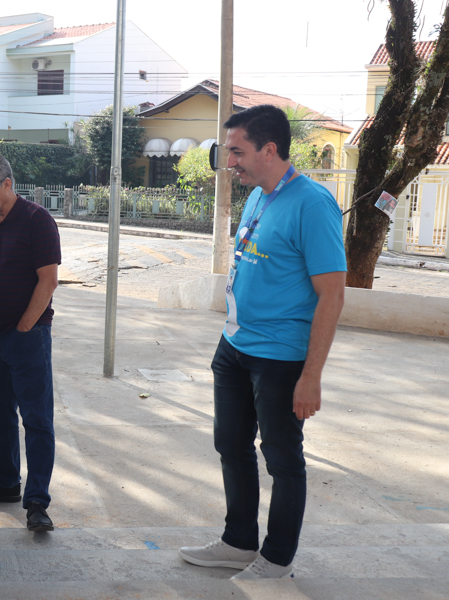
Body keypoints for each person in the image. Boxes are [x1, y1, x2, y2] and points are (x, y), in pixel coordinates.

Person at [178, 105, 346, 579]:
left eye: (237, 151)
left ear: (269, 150)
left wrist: (311, 376)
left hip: (279, 357)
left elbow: (333, 295)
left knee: (282, 458)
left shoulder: (312, 204)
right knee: (231, 445)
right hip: (234, 346)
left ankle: (276, 559)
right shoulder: (257, 196)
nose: (229, 161)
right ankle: (238, 542)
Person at [0, 152, 61, 532]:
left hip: (27, 339)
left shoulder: (38, 220)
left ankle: (37, 501)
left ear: (7, 184)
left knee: (36, 419)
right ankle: (6, 482)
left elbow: (48, 280)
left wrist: (24, 328)